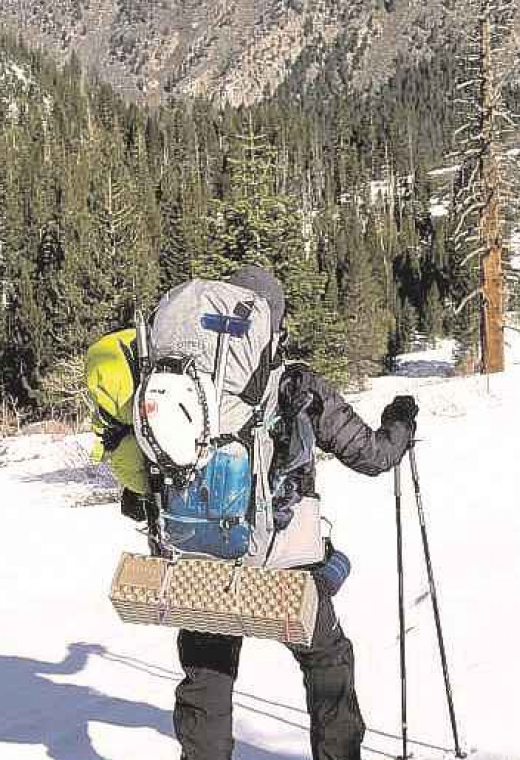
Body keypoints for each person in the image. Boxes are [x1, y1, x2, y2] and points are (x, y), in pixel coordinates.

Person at [89, 267, 418, 760]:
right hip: (281, 560)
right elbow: (372, 455)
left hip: (196, 555)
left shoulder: (174, 385)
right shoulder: (298, 385)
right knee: (327, 660)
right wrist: (400, 424)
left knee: (206, 674)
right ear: (270, 325)